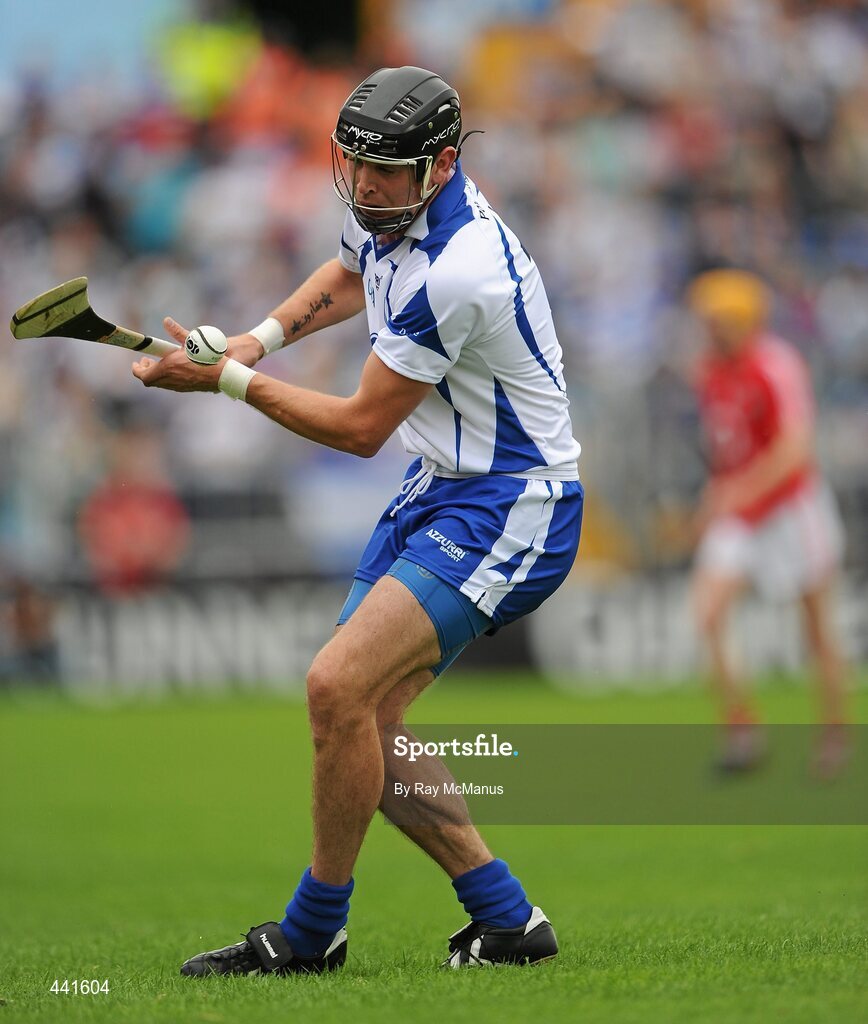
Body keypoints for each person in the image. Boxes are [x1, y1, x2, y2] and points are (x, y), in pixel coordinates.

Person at [131, 66, 583, 973]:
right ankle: (508, 923)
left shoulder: (462, 270)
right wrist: (255, 338)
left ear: (444, 163)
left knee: (336, 689)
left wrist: (222, 379)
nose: (366, 184)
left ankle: (308, 937)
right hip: (443, 485)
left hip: (514, 503)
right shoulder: (393, 207)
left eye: (389, 169)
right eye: (356, 163)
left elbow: (358, 427)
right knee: (364, 722)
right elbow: (348, 270)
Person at [686, 268, 849, 777]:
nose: (709, 326)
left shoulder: (776, 364)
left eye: (718, 317)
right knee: (708, 612)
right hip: (742, 509)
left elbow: (795, 452)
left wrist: (735, 491)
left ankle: (834, 738)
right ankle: (743, 729)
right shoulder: (709, 370)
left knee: (817, 628)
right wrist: (718, 495)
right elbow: (727, 446)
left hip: (791, 507)